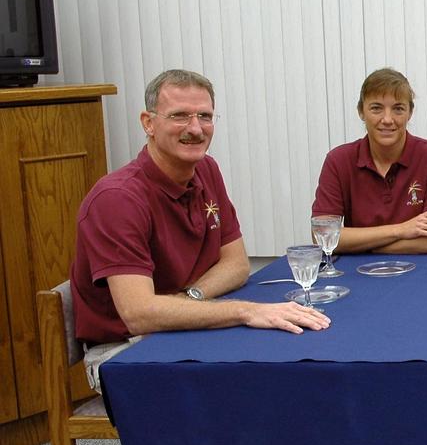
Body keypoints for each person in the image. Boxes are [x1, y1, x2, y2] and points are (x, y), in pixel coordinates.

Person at [72, 69, 329, 390]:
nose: (195, 129)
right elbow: (139, 314)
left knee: (294, 357)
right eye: (179, 116)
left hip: (184, 324)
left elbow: (236, 265)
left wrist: (191, 299)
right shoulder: (117, 199)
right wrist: (243, 311)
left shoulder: (206, 169)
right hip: (125, 349)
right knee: (252, 383)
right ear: (148, 123)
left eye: (204, 116)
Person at [312, 68, 427, 253]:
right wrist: (401, 230)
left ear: (410, 113)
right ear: (361, 112)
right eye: (376, 108)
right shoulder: (338, 160)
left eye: (398, 109)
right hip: (359, 276)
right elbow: (322, 235)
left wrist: (363, 247)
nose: (387, 119)